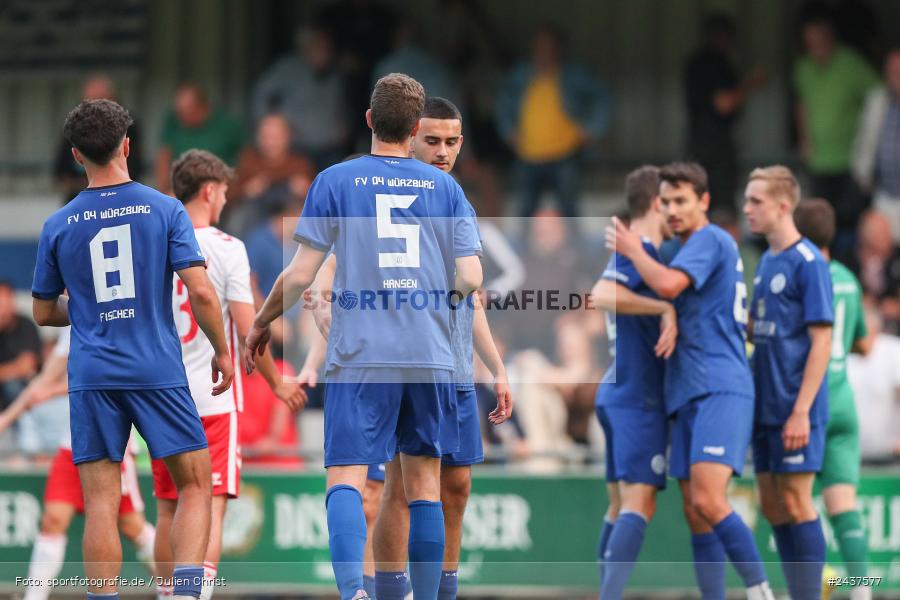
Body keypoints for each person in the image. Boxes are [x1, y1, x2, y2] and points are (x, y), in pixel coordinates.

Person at [246, 74, 486, 600]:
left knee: (347, 480)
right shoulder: (445, 188)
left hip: (361, 356)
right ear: (416, 128)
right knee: (425, 487)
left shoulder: (336, 180)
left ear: (370, 120)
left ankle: (355, 589)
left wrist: (263, 321)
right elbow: (471, 278)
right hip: (430, 355)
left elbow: (302, 274)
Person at [31, 98, 234, 600]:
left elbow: (41, 312)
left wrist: (89, 310)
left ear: (77, 155)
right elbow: (202, 291)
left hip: (93, 375)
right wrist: (222, 352)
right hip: (155, 370)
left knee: (100, 504)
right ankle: (184, 595)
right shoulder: (165, 209)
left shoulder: (58, 224)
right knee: (194, 484)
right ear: (127, 145)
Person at [606, 162, 774, 600]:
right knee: (695, 511)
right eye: (666, 202)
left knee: (710, 499)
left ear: (704, 201)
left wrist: (632, 247)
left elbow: (668, 285)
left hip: (720, 384)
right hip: (685, 389)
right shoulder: (681, 247)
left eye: (682, 200)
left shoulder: (709, 239)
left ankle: (761, 590)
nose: (673, 209)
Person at [154, 150, 307, 600]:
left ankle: (169, 595)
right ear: (208, 190)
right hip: (214, 398)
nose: (224, 201)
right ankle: (194, 595)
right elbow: (250, 329)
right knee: (209, 505)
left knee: (168, 507)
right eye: (222, 192)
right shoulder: (226, 248)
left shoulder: (155, 244)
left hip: (162, 396)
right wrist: (277, 383)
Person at [0, 327, 156, 600]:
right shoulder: (70, 330)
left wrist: (53, 391)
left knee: (132, 527)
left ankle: (175, 588)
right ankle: (34, 597)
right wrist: (6, 419)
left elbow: (106, 376)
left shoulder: (114, 320)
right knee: (53, 519)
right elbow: (43, 382)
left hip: (112, 440)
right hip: (73, 441)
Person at [743, 167, 833, 600]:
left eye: (755, 201)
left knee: (798, 502)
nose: (747, 210)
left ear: (783, 206)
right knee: (772, 504)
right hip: (764, 404)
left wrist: (801, 410)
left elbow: (821, 341)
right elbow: (763, 329)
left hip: (797, 407)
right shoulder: (767, 261)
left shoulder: (809, 262)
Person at [590, 165, 676, 599]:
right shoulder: (640, 247)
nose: (677, 210)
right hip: (636, 396)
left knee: (622, 504)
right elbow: (601, 295)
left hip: (619, 389)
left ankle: (605, 591)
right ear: (657, 203)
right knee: (639, 503)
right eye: (673, 201)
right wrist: (661, 310)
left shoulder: (644, 252)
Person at [794, 198, 873, 600]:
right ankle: (860, 591)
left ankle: (812, 589)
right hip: (844, 401)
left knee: (799, 505)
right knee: (844, 507)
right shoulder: (846, 277)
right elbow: (865, 342)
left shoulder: (801, 275)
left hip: (808, 403)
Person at [495, 24, 611, 218]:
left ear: (559, 49)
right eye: (540, 46)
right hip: (528, 154)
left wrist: (592, 129)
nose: (544, 52)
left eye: (549, 46)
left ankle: (574, 248)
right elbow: (502, 103)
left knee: (569, 211)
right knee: (525, 212)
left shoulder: (574, 74)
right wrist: (508, 131)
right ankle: (524, 249)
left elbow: (603, 97)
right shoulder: (521, 74)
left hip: (564, 153)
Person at [793, 11, 878, 261]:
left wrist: (868, 144)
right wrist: (804, 138)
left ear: (830, 38)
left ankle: (849, 269)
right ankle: (823, 265)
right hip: (819, 160)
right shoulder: (803, 68)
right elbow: (801, 105)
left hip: (849, 160)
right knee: (818, 222)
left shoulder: (851, 63)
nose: (814, 47)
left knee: (848, 221)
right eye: (809, 42)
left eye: (818, 40)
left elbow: (878, 97)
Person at [684, 13, 766, 215]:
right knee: (720, 206)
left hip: (701, 142)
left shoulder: (697, 62)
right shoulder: (710, 64)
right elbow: (723, 104)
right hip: (713, 145)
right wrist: (751, 83)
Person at [251, 26, 350, 171]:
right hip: (299, 145)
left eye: (327, 48)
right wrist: (270, 128)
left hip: (331, 146)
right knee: (299, 189)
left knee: (332, 189)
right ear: (307, 48)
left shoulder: (336, 73)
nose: (323, 52)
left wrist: (345, 126)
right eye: (318, 47)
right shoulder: (287, 68)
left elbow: (343, 104)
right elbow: (261, 95)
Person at [53, 74, 144, 203]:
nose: (92, 111)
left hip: (119, 200)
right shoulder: (73, 128)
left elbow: (135, 170)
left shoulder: (128, 127)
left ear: (112, 100)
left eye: (98, 102)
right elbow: (60, 173)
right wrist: (92, 184)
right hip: (80, 201)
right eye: (87, 103)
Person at [227, 114, 314, 234]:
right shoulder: (248, 159)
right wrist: (246, 190)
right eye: (265, 137)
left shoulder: (299, 164)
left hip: (286, 227)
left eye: (276, 137)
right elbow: (227, 194)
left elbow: (319, 202)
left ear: (288, 137)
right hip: (253, 223)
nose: (270, 142)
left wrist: (306, 191)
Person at [156, 84, 245, 193]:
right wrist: (163, 191)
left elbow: (247, 157)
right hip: (181, 190)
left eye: (187, 110)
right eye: (179, 111)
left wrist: (237, 187)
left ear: (202, 107)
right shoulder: (173, 123)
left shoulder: (226, 124)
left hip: (220, 190)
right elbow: (164, 157)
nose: (181, 116)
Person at [852, 48, 900, 242]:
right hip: (883, 194)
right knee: (879, 248)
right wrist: (862, 173)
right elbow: (863, 139)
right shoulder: (877, 101)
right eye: (893, 72)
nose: (896, 77)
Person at [0, 280, 41, 409]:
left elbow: (27, 365)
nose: (3, 310)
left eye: (6, 303)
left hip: (22, 389)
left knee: (13, 386)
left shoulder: (25, 325)